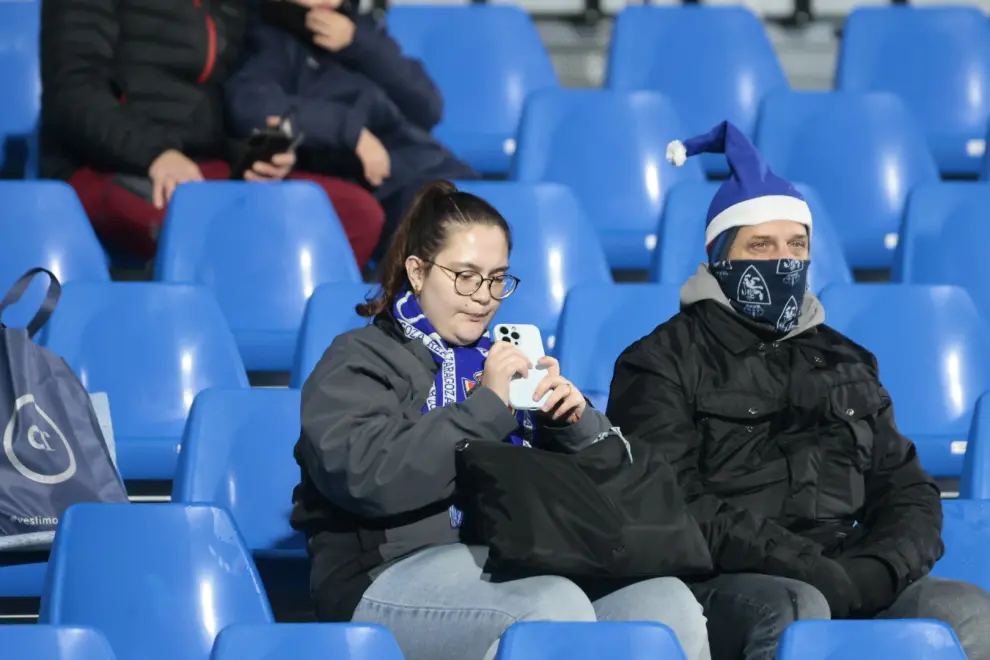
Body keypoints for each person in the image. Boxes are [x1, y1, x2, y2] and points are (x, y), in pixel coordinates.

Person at [606, 121, 990, 660]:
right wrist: (806, 568)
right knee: (797, 610)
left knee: (969, 610)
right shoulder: (658, 361)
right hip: (728, 579)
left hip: (849, 568)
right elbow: (672, 503)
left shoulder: (848, 359)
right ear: (720, 255)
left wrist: (878, 569)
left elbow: (908, 490)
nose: (782, 261)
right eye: (759, 244)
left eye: (796, 244)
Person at [291, 180, 710, 660]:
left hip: (517, 557)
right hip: (382, 573)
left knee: (667, 607)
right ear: (418, 271)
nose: (483, 297)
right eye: (466, 276)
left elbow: (605, 497)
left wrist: (573, 426)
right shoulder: (360, 358)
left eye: (497, 279)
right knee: (550, 606)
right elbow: (365, 473)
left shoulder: (507, 360)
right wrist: (488, 407)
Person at [40, 0, 385, 268]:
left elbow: (232, 101)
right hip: (107, 163)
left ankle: (271, 340)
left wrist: (253, 153)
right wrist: (156, 154)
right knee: (191, 228)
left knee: (354, 214)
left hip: (204, 169)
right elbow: (72, 95)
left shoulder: (235, 7)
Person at [224, 0, 477, 262]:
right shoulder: (270, 40)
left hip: (435, 168)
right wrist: (349, 131)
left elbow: (428, 107)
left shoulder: (362, 31)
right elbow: (251, 107)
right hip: (388, 191)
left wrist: (359, 44)